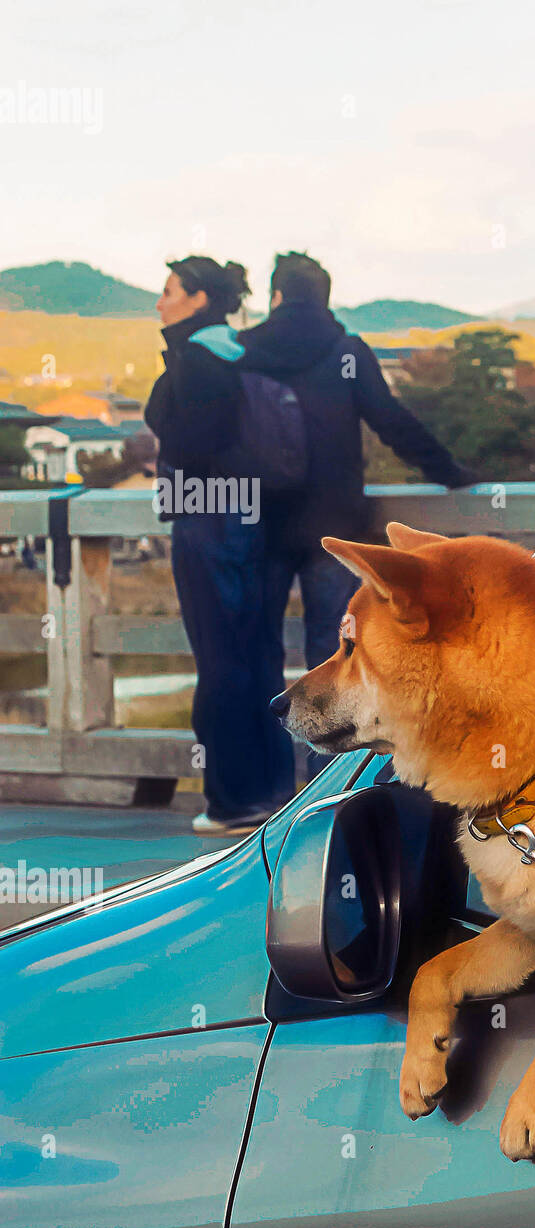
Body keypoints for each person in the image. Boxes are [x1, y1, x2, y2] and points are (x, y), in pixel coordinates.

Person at [237, 251, 474, 789]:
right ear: (324, 297)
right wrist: (451, 472)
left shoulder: (244, 352)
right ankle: (330, 794)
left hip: (260, 524)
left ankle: (264, 796)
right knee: (339, 658)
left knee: (257, 655)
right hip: (334, 528)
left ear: (275, 296)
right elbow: (391, 420)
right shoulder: (345, 351)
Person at [145, 256, 286, 836]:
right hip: (254, 514)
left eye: (169, 290)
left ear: (198, 299)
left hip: (208, 515)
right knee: (256, 655)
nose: (160, 302)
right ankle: (274, 791)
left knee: (219, 660)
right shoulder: (241, 351)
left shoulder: (198, 360)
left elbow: (192, 442)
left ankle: (231, 802)